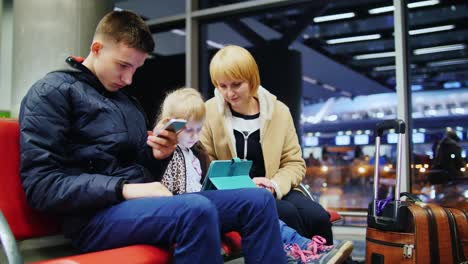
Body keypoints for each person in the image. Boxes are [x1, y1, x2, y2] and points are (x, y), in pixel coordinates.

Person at [19, 10, 287, 263]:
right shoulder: (51, 92)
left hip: (137, 209)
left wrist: (157, 156)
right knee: (195, 210)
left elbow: (137, 168)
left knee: (257, 201)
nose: (128, 79)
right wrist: (125, 189)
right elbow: (41, 185)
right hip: (91, 219)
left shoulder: (127, 103)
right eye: (123, 65)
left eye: (135, 69)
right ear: (97, 49)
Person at [158, 87, 353, 264]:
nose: (194, 136)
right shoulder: (166, 153)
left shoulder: (196, 152)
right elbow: (167, 190)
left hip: (206, 204)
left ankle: (306, 248)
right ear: (171, 125)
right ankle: (302, 249)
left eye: (198, 130)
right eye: (188, 130)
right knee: (265, 209)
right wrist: (166, 136)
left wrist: (249, 182)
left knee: (268, 207)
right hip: (188, 210)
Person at [199, 45, 333, 244]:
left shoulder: (279, 111)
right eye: (222, 86)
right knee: (286, 213)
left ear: (252, 80)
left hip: (275, 187)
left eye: (236, 84)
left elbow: (294, 163)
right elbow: (206, 164)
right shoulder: (208, 112)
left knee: (319, 217)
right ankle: (305, 256)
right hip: (237, 195)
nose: (229, 93)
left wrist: (274, 185)